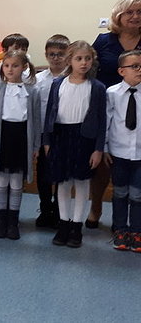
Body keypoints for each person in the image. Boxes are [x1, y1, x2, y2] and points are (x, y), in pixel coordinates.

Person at [44, 41, 106, 248]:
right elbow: (50, 113)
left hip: (84, 138)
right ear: (69, 60)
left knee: (81, 183)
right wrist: (47, 140)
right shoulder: (58, 84)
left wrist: (98, 149)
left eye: (88, 58)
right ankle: (63, 224)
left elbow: (101, 121)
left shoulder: (97, 88)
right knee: (63, 183)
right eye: (79, 58)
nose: (84, 63)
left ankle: (76, 226)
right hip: (61, 136)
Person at [89, 0, 141, 229]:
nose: (135, 16)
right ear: (118, 16)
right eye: (130, 12)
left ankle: (132, 223)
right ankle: (96, 207)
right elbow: (89, 69)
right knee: (102, 164)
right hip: (107, 106)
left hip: (138, 107)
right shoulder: (104, 40)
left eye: (139, 12)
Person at [0, 50, 40, 240]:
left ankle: (13, 221)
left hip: (21, 138)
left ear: (24, 67)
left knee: (16, 181)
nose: (10, 69)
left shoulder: (32, 91)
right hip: (1, 137)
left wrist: (35, 146)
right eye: (6, 65)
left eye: (15, 66)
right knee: (1, 180)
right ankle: (1, 220)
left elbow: (36, 121)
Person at [105, 49, 141, 252]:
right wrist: (104, 148)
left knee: (137, 194)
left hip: (140, 154)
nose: (139, 70)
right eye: (135, 66)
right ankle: (120, 229)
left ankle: (136, 230)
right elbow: (106, 122)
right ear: (121, 71)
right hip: (118, 152)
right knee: (120, 192)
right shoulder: (112, 93)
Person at [33, 34, 71, 228]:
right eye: (52, 54)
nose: (56, 58)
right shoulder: (38, 80)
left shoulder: (73, 79)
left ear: (68, 55)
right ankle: (45, 208)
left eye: (60, 54)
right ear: (46, 55)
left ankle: (59, 210)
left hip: (65, 132)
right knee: (44, 172)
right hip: (43, 133)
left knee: (62, 173)